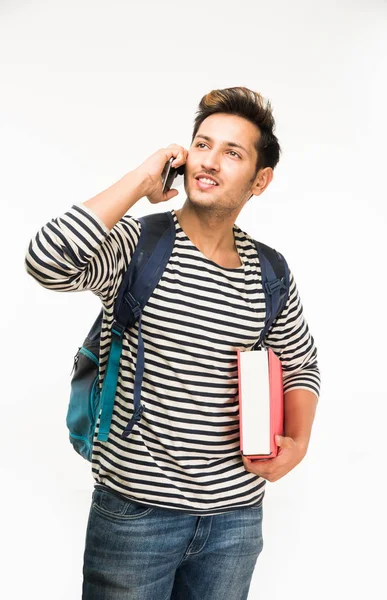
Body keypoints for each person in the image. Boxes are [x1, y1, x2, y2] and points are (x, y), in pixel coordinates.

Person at [25, 86, 321, 600]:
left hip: (235, 520)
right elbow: (46, 260)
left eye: (233, 152)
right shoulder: (138, 245)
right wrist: (141, 181)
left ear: (261, 179)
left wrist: (297, 443)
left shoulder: (270, 272)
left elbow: (299, 364)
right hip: (135, 516)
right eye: (202, 145)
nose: (209, 161)